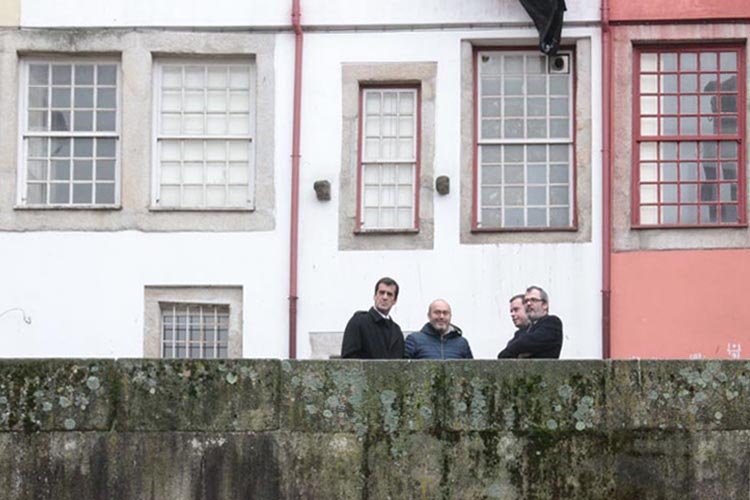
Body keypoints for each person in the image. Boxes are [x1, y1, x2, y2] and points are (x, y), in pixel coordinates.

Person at [341, 277, 405, 359]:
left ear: (395, 300)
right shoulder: (358, 322)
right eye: (381, 293)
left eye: (389, 294)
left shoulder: (396, 331)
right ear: (375, 296)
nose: (385, 297)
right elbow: (349, 358)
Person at [497, 286, 562, 359]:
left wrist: (517, 350)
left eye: (533, 300)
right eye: (526, 301)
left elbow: (528, 343)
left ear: (544, 305)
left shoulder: (552, 322)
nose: (528, 303)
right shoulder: (524, 331)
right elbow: (503, 355)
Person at [405, 299, 473, 359]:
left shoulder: (462, 343)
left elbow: (471, 368)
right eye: (437, 312)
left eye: (445, 313)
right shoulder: (414, 340)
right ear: (429, 316)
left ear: (450, 316)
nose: (441, 317)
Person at [497, 294, 531, 358]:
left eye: (516, 310)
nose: (512, 314)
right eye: (511, 311)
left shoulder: (538, 331)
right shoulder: (516, 337)